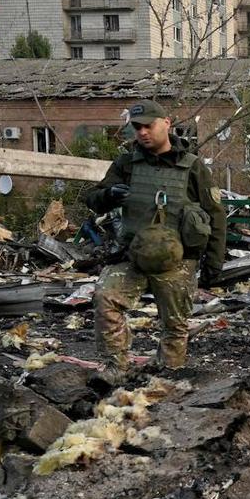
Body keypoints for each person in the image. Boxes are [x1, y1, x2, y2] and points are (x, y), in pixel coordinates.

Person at [85, 101, 226, 378]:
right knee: (105, 298)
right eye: (137, 128)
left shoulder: (193, 167)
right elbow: (93, 199)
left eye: (148, 125)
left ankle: (167, 374)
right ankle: (116, 367)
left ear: (166, 123)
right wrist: (109, 194)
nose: (142, 133)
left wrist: (214, 264)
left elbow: (216, 215)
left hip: (178, 259)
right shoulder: (126, 163)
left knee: (175, 325)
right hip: (133, 254)